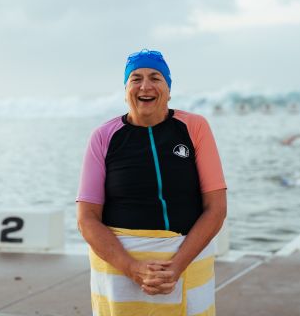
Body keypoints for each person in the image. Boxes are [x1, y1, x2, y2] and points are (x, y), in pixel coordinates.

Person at [76, 49, 227, 316]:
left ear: (168, 90)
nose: (145, 86)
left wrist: (177, 265)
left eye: (155, 78)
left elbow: (216, 207)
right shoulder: (103, 136)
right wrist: (132, 268)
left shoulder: (194, 127)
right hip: (119, 267)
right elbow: (86, 218)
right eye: (136, 79)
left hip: (187, 262)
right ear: (125, 90)